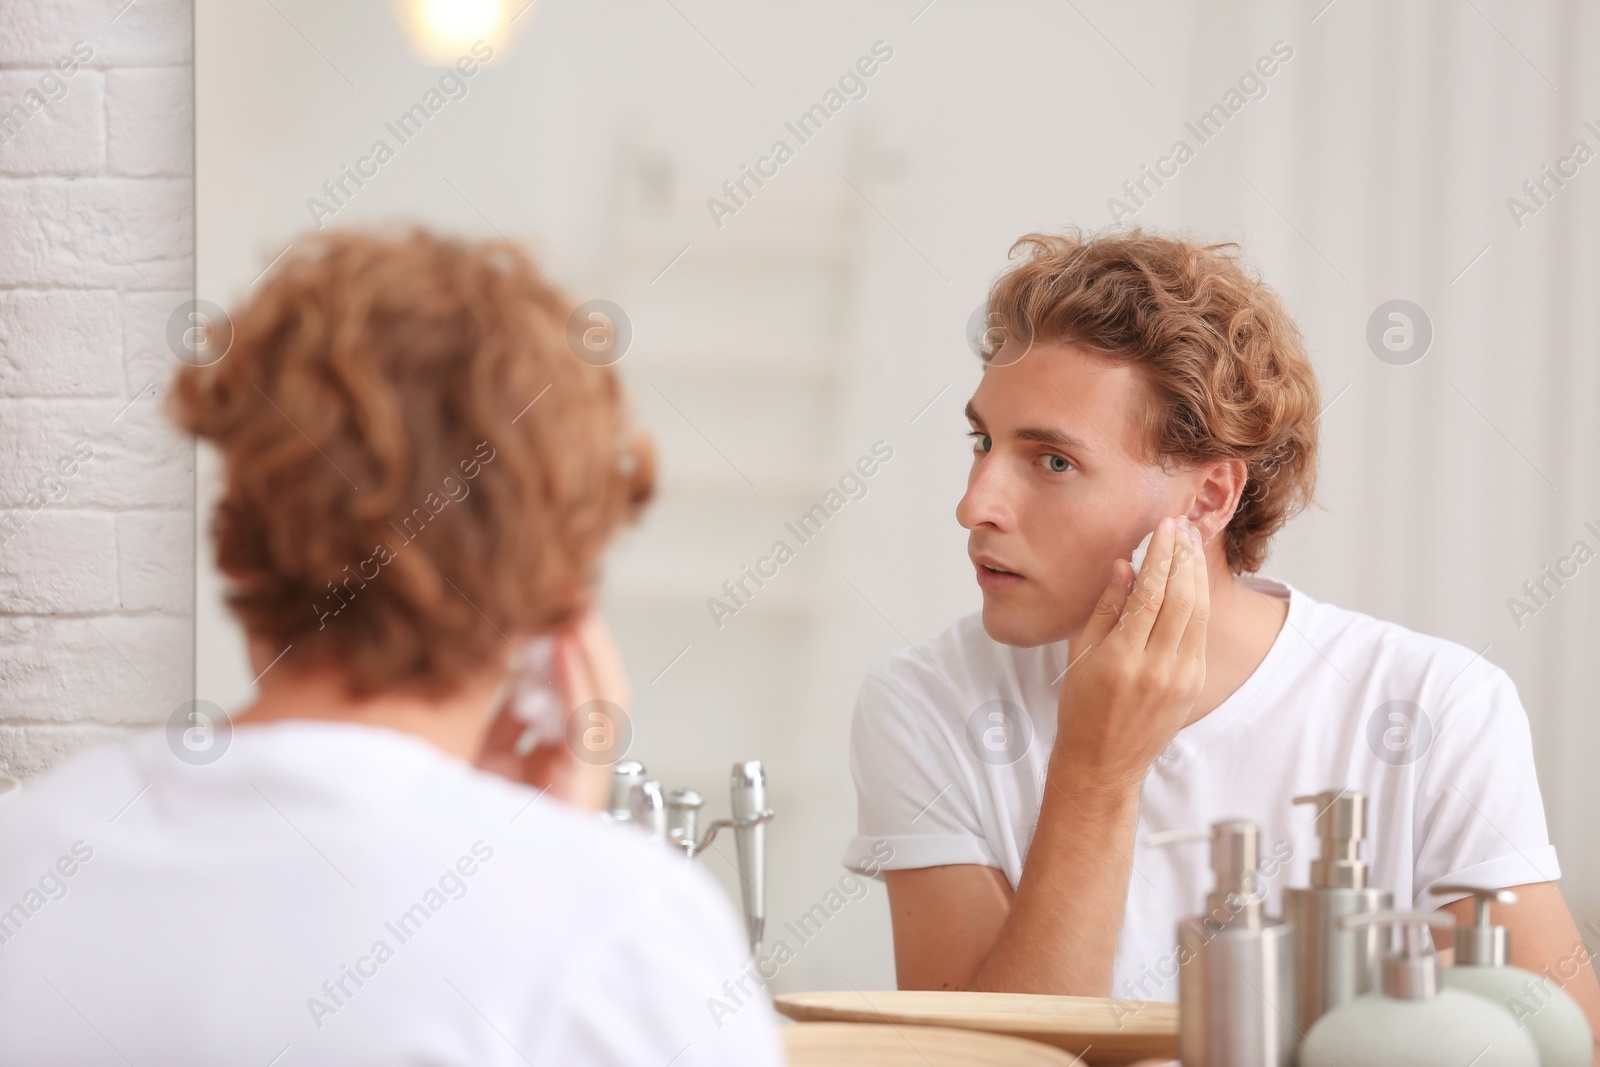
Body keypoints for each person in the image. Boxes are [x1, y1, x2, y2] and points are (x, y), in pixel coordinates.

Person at [0, 231, 784, 1066]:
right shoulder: (626, 937)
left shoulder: (25, 856)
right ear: (563, 601)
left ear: (230, 543)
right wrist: (544, 862)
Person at [842, 227, 1600, 1040]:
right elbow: (978, 1061)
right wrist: (1096, 773)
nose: (975, 503)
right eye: (983, 442)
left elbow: (1560, 1044)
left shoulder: (1434, 707)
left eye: (1052, 461)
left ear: (1206, 499)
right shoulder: (924, 704)